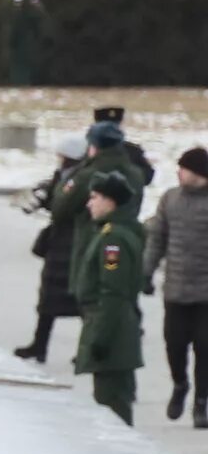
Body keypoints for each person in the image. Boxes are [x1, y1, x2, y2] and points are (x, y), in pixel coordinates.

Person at [74, 176, 146, 424]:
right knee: (112, 400)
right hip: (115, 326)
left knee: (112, 406)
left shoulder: (113, 239)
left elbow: (112, 292)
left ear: (110, 202)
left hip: (113, 332)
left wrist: (101, 338)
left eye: (94, 198)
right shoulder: (114, 232)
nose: (89, 204)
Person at [150, 148, 208, 428]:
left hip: (205, 294)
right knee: (174, 345)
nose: (178, 172)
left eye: (184, 168)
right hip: (175, 289)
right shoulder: (170, 199)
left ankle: (201, 403)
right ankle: (179, 384)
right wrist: (145, 273)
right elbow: (156, 240)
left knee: (205, 349)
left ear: (199, 174)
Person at [0, 0, 47, 87]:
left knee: (19, 71)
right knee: (22, 69)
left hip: (20, 40)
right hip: (27, 39)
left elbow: (15, 19)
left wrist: (10, 39)